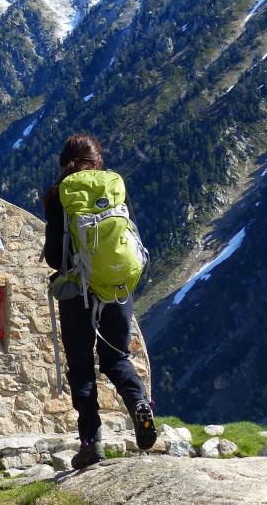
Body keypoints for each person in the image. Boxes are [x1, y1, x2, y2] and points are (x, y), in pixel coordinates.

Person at [43, 133, 156, 469]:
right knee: (117, 357)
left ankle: (91, 443)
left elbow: (53, 256)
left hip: (78, 291)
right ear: (98, 162)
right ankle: (140, 404)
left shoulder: (58, 195)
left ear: (64, 162)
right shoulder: (112, 187)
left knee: (81, 367)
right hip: (117, 285)